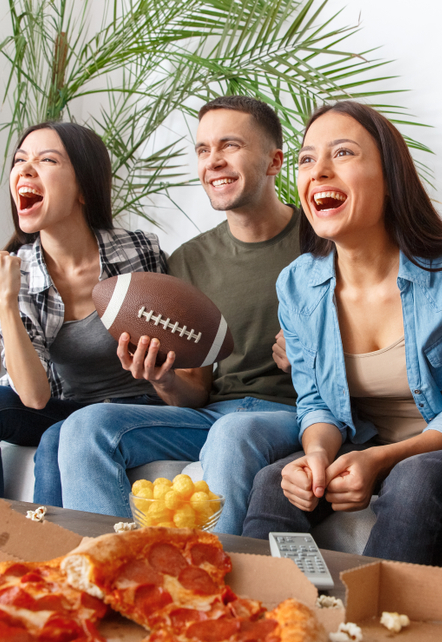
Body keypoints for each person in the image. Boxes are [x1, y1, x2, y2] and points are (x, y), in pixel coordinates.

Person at [241, 102, 442, 565]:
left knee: (413, 480)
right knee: (276, 481)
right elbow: (317, 403)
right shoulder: (297, 282)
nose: (319, 171)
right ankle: (291, 608)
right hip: (360, 444)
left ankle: (370, 624)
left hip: (436, 449)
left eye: (343, 153)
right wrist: (315, 458)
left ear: (389, 177)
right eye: (307, 159)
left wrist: (382, 460)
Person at [57, 96, 303, 534]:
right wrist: (162, 378)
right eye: (204, 150)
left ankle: (206, 589)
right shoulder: (189, 260)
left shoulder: (321, 241)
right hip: (214, 414)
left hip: (293, 415)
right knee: (84, 426)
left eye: (230, 146)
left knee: (233, 434)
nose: (214, 162)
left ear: (274, 161)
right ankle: (112, 575)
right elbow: (196, 394)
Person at [0, 121, 166, 505]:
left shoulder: (138, 251)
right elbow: (33, 397)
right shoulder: (15, 273)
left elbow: (176, 345)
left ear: (83, 188)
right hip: (61, 405)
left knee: (57, 440)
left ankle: (52, 558)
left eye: (46, 160)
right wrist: (6, 301)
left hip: (136, 406)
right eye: (20, 160)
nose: (25, 170)